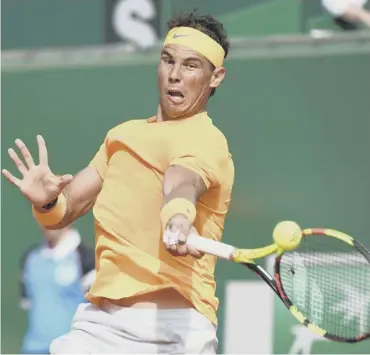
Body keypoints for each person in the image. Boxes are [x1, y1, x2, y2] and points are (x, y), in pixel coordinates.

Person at [3, 9, 234, 354]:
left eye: (190, 66)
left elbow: (182, 180)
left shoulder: (206, 139)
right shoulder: (121, 137)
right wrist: (46, 201)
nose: (174, 75)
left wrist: (179, 216)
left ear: (215, 77)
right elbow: (67, 209)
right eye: (168, 61)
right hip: (100, 325)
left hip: (174, 327)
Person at [20, 224, 95, 354]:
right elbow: (28, 302)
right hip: (33, 349)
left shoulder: (86, 258)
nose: (48, 220)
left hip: (72, 349)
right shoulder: (30, 258)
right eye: (42, 211)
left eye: (53, 208)